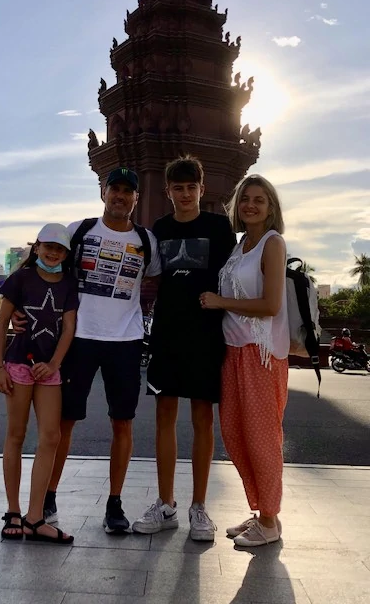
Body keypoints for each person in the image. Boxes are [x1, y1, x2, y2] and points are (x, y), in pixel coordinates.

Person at [12, 168, 161, 534]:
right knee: (64, 422)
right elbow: (36, 262)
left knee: (122, 422)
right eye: (115, 189)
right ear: (103, 192)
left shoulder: (147, 240)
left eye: (128, 191)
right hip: (78, 339)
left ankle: (114, 502)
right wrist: (17, 304)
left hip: (125, 340)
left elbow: (155, 279)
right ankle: (48, 495)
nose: (121, 196)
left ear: (136, 198)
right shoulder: (79, 230)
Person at [132, 155, 236, 541]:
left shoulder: (220, 228)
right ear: (169, 192)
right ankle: (166, 504)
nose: (186, 194)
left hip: (207, 333)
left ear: (201, 190)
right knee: (164, 414)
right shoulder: (159, 228)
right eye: (179, 188)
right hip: (168, 333)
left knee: (202, 418)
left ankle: (199, 507)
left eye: (192, 187)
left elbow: (238, 275)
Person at [200, 173, 289, 547]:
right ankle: (261, 513)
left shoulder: (272, 243)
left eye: (260, 199)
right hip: (233, 352)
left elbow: (270, 305)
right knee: (237, 437)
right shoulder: (240, 246)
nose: (251, 205)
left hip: (261, 353)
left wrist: (221, 302)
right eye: (246, 199)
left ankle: (269, 521)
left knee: (262, 439)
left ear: (271, 208)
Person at [0, 223, 78, 544]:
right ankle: (13, 511)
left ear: (66, 254)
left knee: (51, 437)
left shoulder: (69, 284)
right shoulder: (21, 279)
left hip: (49, 369)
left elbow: (68, 328)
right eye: (48, 247)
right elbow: (2, 324)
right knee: (16, 435)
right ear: (37, 247)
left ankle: (35, 517)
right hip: (18, 364)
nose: (53, 253)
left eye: (60, 249)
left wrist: (55, 363)